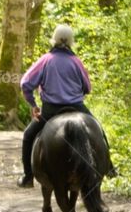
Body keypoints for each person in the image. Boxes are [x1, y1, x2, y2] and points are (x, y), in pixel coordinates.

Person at [17, 23, 117, 187]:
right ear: (71, 41)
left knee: (28, 136)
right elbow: (87, 88)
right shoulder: (76, 61)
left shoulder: (45, 60)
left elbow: (25, 83)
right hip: (77, 107)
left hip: (51, 110)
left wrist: (33, 104)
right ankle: (110, 168)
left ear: (54, 39)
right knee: (98, 129)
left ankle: (27, 176)